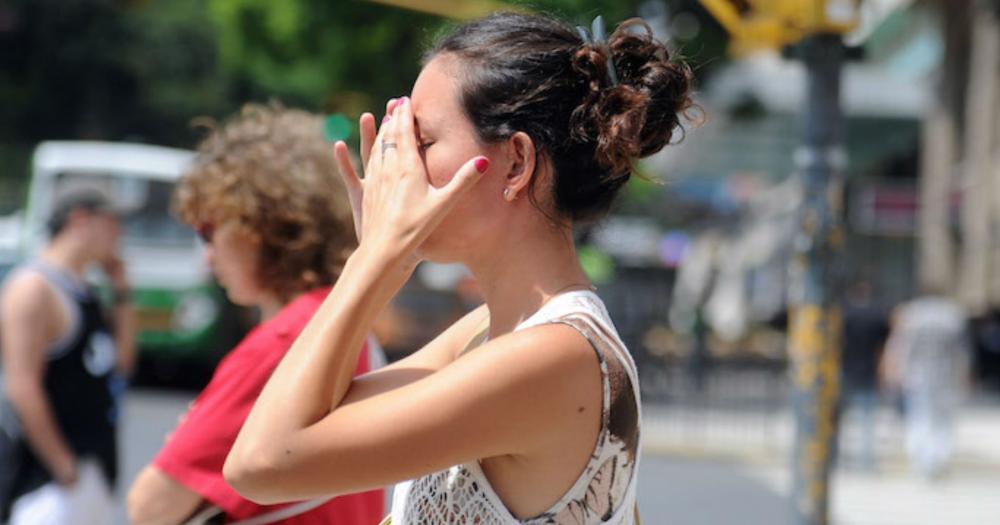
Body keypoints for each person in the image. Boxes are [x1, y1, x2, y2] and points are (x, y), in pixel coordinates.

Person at [224, 13, 693, 524]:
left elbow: (262, 464)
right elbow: (316, 417)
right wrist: (385, 255)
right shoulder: (486, 332)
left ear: (516, 162)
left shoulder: (554, 356)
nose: (398, 167)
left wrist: (376, 257)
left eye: (421, 143)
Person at [126, 104, 385, 524]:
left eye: (209, 230)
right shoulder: (345, 322)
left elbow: (150, 507)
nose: (207, 256)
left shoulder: (285, 342)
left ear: (263, 223)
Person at [0, 190, 136, 524]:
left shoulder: (84, 289)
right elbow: (22, 386)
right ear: (80, 220)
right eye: (112, 223)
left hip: (93, 464)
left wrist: (121, 292)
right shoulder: (33, 288)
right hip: (45, 479)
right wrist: (64, 467)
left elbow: (121, 362)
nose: (119, 235)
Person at [882, 289, 971, 479]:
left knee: (920, 417)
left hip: (918, 376)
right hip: (945, 376)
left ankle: (923, 459)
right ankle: (938, 458)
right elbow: (962, 352)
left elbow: (900, 348)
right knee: (942, 419)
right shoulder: (952, 316)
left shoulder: (912, 315)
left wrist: (895, 373)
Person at [838, 278, 889, 471]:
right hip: (869, 370)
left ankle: (836, 457)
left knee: (838, 418)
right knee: (867, 419)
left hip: (846, 369)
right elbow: (883, 346)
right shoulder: (877, 315)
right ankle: (866, 461)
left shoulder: (845, 314)